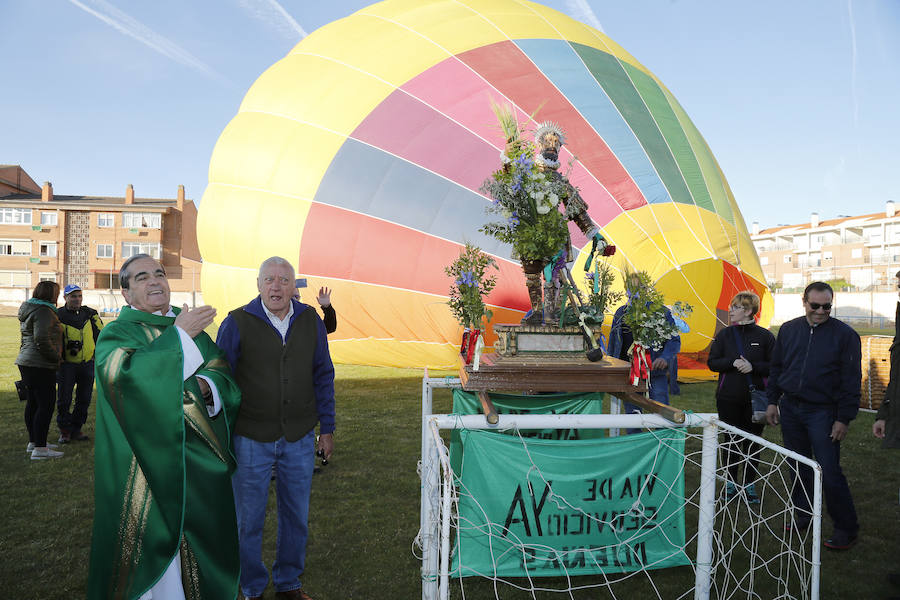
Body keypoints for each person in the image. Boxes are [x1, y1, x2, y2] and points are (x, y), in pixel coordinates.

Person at [87, 254, 242, 599]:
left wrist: (207, 387)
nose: (155, 281)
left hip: (196, 465)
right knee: (153, 559)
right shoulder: (118, 332)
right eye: (142, 277)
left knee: (199, 545)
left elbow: (220, 373)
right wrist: (181, 339)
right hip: (142, 467)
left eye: (159, 273)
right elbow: (125, 381)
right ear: (126, 294)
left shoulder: (186, 326)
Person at [217, 256, 335, 600]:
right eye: (269, 279)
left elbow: (323, 375)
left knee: (296, 515)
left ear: (293, 286)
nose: (276, 286)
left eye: (284, 280)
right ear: (258, 284)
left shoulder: (310, 320)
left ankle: (289, 583)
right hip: (251, 437)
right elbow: (221, 379)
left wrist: (326, 428)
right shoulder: (237, 322)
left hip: (298, 436)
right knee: (247, 520)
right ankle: (250, 588)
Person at [765, 281, 861, 551]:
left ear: (832, 304)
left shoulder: (845, 335)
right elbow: (777, 368)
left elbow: (851, 381)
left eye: (827, 306)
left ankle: (846, 528)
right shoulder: (788, 329)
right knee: (798, 465)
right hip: (792, 409)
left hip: (824, 413)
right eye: (815, 305)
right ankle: (804, 515)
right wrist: (772, 401)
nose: (821, 311)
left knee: (829, 471)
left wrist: (843, 418)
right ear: (803, 301)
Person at [707, 291, 775, 503]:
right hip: (728, 398)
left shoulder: (765, 337)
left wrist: (753, 367)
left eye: (735, 307)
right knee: (730, 442)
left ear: (748, 311)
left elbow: (775, 367)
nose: (730, 310)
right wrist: (732, 362)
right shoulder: (724, 335)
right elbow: (712, 362)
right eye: (732, 306)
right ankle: (730, 483)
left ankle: (749, 484)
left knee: (753, 442)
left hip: (756, 400)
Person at [16, 280, 63, 460]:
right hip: (39, 363)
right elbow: (42, 339)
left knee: (34, 403)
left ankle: (35, 442)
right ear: (50, 294)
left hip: (27, 361)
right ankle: (41, 449)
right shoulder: (44, 311)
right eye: (56, 292)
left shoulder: (31, 309)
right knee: (45, 405)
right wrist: (56, 357)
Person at [56, 283, 104, 443]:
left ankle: (76, 428)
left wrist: (97, 354)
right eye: (73, 296)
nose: (77, 299)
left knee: (84, 398)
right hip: (66, 364)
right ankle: (64, 430)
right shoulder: (58, 315)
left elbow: (101, 335)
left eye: (79, 296)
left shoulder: (90, 314)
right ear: (65, 298)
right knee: (64, 399)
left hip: (87, 364)